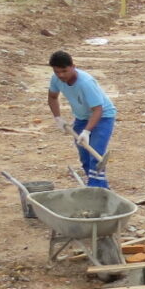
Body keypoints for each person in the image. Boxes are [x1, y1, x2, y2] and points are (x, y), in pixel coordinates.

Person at [46, 50, 116, 188]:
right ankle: (95, 185)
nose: (61, 75)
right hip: (82, 118)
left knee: (95, 156)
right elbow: (52, 97)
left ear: (73, 66)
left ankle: (98, 191)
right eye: (57, 72)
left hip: (103, 117)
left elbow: (98, 110)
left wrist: (87, 132)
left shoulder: (85, 83)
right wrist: (58, 118)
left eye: (64, 71)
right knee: (84, 157)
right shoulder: (56, 79)